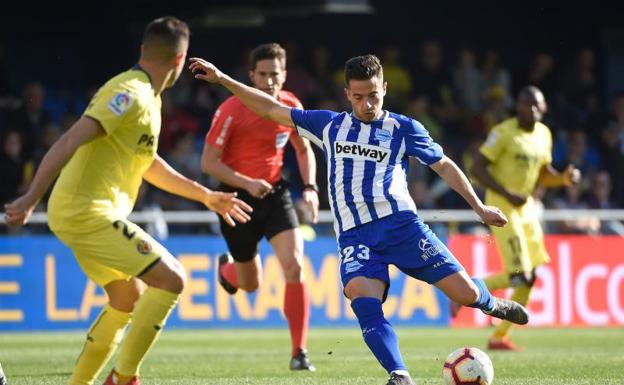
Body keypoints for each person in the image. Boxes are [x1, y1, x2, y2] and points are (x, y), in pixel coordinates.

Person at [189, 54, 529, 385]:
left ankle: (491, 302)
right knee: (361, 297)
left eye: (374, 96)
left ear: (385, 88)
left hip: (403, 228)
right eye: (359, 97)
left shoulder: (403, 128)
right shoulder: (329, 125)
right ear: (347, 94)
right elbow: (268, 108)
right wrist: (222, 80)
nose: (367, 104)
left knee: (466, 293)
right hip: (356, 236)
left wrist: (479, 208)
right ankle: (399, 374)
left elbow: (444, 165)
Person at [3, 17, 252, 385]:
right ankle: (124, 378)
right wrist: (29, 199)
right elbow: (71, 140)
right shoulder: (130, 93)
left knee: (126, 296)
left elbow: (148, 164)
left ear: (143, 50)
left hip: (83, 212)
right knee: (172, 279)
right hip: (86, 211)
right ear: (181, 59)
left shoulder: (148, 97)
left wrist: (206, 196)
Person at [201, 43, 319, 371]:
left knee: (294, 266)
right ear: (251, 75)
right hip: (235, 200)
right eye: (263, 74)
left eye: (275, 74)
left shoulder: (290, 104)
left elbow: (303, 148)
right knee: (250, 284)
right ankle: (229, 270)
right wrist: (245, 182)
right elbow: (208, 163)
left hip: (275, 195)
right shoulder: (230, 110)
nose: (269, 81)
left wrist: (309, 187)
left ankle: (299, 353)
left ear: (284, 75)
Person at [467, 86, 581, 351]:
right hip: (503, 207)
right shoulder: (503, 133)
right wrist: (508, 193)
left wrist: (563, 178)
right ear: (516, 106)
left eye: (535, 105)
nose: (529, 109)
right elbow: (477, 167)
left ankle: (498, 337)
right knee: (520, 276)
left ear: (543, 109)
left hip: (527, 208)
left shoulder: (544, 134)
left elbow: (543, 173)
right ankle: (471, 287)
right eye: (524, 103)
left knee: (529, 277)